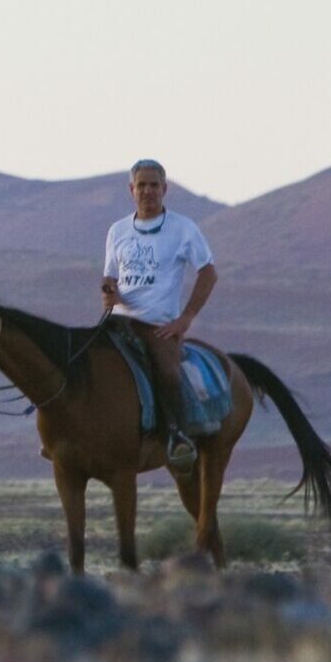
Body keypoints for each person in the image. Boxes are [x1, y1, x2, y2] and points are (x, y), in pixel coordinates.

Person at [98, 158, 220, 465]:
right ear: (131, 189)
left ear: (164, 189)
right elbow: (110, 276)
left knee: (167, 372)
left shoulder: (182, 229)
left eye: (154, 185)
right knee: (82, 358)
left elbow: (208, 273)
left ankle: (178, 436)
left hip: (158, 325)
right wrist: (109, 291)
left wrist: (185, 319)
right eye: (142, 185)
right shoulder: (118, 230)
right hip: (118, 321)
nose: (148, 191)